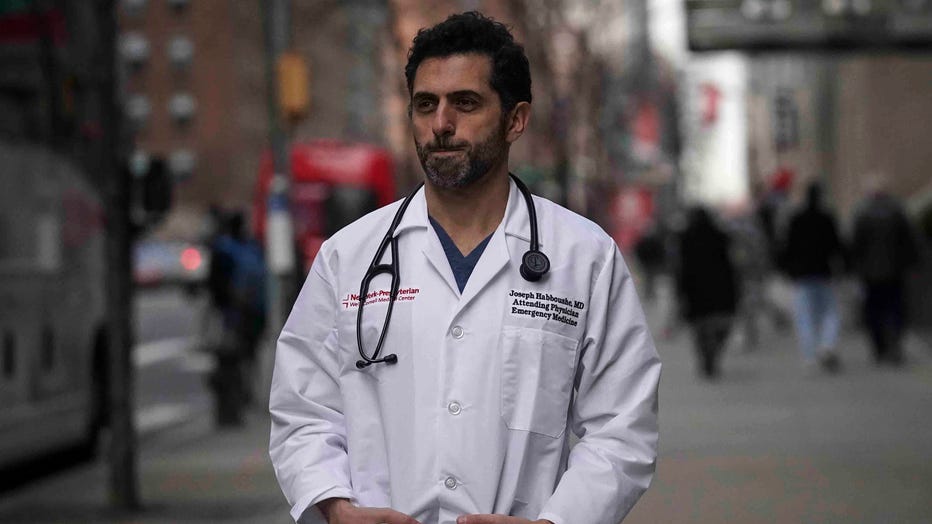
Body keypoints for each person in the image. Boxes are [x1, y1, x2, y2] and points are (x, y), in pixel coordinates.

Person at [269, 12, 660, 524]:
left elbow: (621, 427)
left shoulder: (584, 257)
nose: (441, 124)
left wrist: (555, 523)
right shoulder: (348, 259)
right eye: (425, 104)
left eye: (466, 103)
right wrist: (335, 506)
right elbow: (302, 409)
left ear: (516, 119)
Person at [850, 177, 919, 365]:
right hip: (895, 271)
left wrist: (855, 268)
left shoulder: (862, 212)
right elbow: (910, 242)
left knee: (874, 311)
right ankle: (895, 343)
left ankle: (879, 348)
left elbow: (855, 245)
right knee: (896, 308)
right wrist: (911, 264)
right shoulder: (896, 210)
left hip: (870, 273)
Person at [781, 182, 844, 373]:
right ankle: (826, 345)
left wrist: (787, 269)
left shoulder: (796, 219)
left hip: (802, 275)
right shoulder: (827, 218)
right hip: (823, 273)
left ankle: (810, 356)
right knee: (830, 313)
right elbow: (837, 245)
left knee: (804, 317)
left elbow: (787, 247)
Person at [675, 206, 738, 379]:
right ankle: (712, 355)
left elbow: (680, 268)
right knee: (720, 326)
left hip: (695, 290)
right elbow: (731, 265)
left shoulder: (686, 239)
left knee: (700, 329)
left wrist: (680, 292)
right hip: (720, 288)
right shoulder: (720, 237)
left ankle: (706, 356)